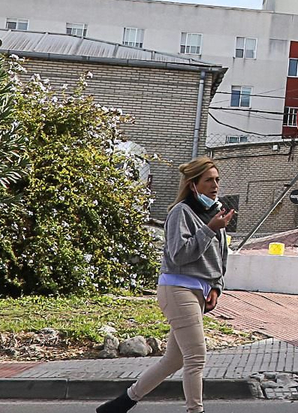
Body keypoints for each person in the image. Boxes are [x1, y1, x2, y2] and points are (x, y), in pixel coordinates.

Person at [97, 157, 235, 413]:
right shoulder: (180, 212)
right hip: (177, 289)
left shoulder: (216, 214)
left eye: (217, 179)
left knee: (174, 359)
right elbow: (179, 255)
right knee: (196, 357)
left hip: (199, 291)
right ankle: (196, 411)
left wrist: (216, 287)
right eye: (208, 180)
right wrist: (208, 229)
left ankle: (119, 405)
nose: (215, 185)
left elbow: (220, 258)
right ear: (193, 185)